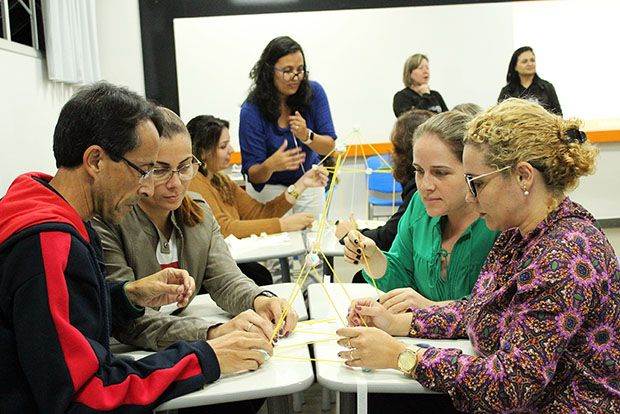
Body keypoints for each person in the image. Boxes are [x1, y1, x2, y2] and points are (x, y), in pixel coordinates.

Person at [0, 82, 272, 413]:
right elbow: (85, 396)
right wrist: (205, 357)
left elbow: (65, 323)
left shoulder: (41, 206)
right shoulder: (48, 243)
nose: (146, 188)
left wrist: (125, 297)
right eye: (145, 171)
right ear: (96, 161)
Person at [339, 98, 619, 413]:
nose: (470, 199)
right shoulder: (518, 234)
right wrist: (398, 322)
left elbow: (511, 384)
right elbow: (481, 310)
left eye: (477, 183)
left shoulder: (564, 255)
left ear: (523, 176)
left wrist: (403, 357)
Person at [93, 107, 298, 350]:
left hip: (177, 344)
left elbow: (226, 280)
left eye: (184, 167)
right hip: (129, 355)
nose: (176, 183)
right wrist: (212, 332)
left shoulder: (199, 211)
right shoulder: (108, 220)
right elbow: (128, 320)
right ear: (139, 168)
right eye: (160, 170)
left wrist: (260, 299)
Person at [340, 111, 498, 312]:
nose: (425, 185)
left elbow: (501, 309)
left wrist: (430, 308)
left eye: (440, 173)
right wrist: (373, 257)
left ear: (471, 171)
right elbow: (402, 277)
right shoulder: (419, 206)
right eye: (419, 171)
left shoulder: (499, 222)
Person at [239, 35, 336, 218]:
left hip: (308, 182)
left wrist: (307, 136)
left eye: (300, 70)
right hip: (269, 190)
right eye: (287, 71)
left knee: (313, 234)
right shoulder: (251, 110)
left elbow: (329, 146)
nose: (295, 77)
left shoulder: (314, 93)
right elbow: (254, 175)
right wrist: (270, 165)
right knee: (277, 236)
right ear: (269, 71)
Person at [335, 109, 434, 280]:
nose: (428, 184)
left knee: (362, 278)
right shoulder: (416, 192)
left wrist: (352, 234)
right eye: (420, 171)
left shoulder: (419, 193)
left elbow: (389, 238)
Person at [498, 46, 562, 115]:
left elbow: (558, 116)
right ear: (515, 67)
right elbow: (498, 116)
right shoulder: (507, 91)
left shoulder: (547, 88)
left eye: (532, 60)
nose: (530, 64)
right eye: (524, 61)